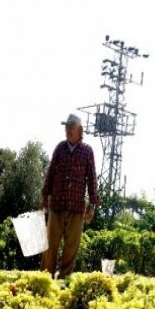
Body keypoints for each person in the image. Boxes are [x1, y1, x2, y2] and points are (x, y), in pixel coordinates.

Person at [40, 114, 100, 279]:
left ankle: (64, 279)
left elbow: (92, 178)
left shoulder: (87, 151)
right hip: (57, 205)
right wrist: (45, 196)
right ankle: (45, 278)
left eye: (71, 127)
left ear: (80, 130)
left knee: (71, 246)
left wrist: (92, 205)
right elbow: (51, 172)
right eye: (66, 127)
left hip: (76, 207)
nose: (67, 130)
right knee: (50, 244)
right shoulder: (60, 148)